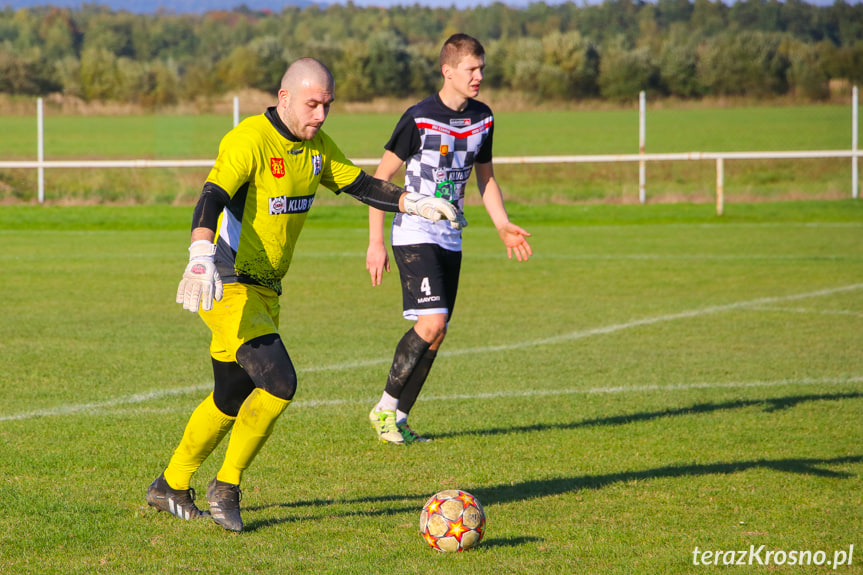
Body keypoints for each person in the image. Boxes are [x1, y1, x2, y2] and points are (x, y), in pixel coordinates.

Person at [146, 57, 464, 532]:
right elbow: (211, 196)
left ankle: (169, 485)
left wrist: (411, 201)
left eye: (327, 105)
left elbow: (358, 184)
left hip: (266, 291)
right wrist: (198, 252)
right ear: (285, 98)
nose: (320, 115)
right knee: (279, 382)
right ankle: (226, 487)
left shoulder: (316, 148)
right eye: (312, 104)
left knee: (230, 396)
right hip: (227, 281)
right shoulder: (249, 139)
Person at [366, 34, 532, 444]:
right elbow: (378, 180)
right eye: (471, 69)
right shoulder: (419, 118)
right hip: (414, 230)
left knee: (439, 331)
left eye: (482, 69)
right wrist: (375, 242)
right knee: (432, 321)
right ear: (448, 71)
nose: (479, 76)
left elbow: (486, 177)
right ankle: (384, 408)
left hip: (451, 235)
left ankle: (400, 418)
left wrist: (502, 225)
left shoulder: (484, 118)